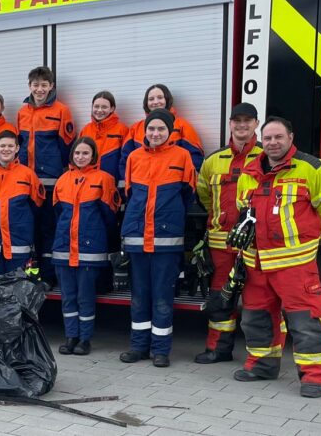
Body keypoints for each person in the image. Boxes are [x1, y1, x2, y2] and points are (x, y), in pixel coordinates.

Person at [232, 116, 321, 399]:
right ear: (261, 140)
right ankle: (262, 366)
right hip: (256, 264)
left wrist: (310, 240)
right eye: (267, 138)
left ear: (291, 137)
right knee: (255, 319)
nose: (272, 143)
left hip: (295, 264)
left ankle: (314, 377)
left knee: (305, 321)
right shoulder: (249, 171)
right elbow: (243, 212)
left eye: (278, 137)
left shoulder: (312, 168)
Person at [118, 110, 196, 367]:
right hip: (138, 238)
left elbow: (187, 195)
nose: (155, 133)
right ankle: (138, 347)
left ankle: (161, 350)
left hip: (166, 238)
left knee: (163, 295)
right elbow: (131, 195)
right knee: (139, 294)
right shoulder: (133, 157)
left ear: (170, 131)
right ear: (144, 131)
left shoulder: (182, 156)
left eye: (161, 129)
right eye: (151, 129)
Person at [193, 103, 263, 362]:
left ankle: (260, 358)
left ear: (256, 123)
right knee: (220, 299)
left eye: (248, 120)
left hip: (256, 244)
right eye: (237, 120)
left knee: (258, 302)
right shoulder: (213, 161)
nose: (242, 125)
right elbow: (204, 196)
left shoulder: (267, 156)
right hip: (221, 245)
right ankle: (218, 350)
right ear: (230, 123)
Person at [52, 137, 119, 356]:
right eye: (77, 153)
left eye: (85, 153)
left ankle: (85, 339)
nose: (81, 157)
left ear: (94, 156)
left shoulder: (104, 179)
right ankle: (71, 337)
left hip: (89, 249)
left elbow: (110, 216)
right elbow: (58, 213)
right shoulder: (62, 180)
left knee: (85, 296)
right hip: (63, 247)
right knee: (68, 296)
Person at [17, 66, 74, 288]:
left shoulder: (61, 111)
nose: (39, 89)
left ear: (51, 86)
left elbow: (66, 147)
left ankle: (49, 277)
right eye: (35, 85)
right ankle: (32, 274)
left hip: (50, 183)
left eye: (43, 85)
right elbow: (19, 146)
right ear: (29, 86)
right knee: (29, 230)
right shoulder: (22, 112)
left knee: (49, 230)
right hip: (25, 183)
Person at [0, 131, 44, 294]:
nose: (6, 149)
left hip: (18, 245)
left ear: (17, 148)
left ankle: (16, 322)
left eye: (10, 146)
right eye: (2, 145)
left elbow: (37, 207)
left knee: (17, 291)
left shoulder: (28, 175)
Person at [120, 83, 204, 178]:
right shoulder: (135, 128)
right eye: (151, 99)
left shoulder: (183, 126)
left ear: (167, 100)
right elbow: (125, 161)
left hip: (171, 185)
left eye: (160, 97)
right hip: (142, 186)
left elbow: (195, 158)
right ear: (146, 103)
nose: (155, 102)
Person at [79, 91, 129, 182]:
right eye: (96, 106)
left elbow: (126, 159)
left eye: (104, 107)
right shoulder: (86, 129)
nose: (99, 110)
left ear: (112, 108)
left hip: (112, 183)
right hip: (88, 183)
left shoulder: (122, 130)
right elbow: (77, 157)